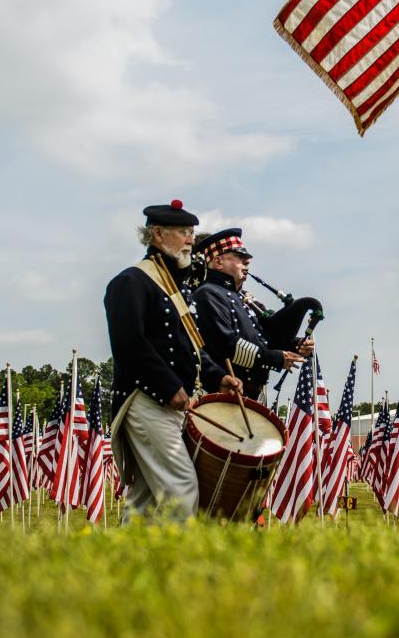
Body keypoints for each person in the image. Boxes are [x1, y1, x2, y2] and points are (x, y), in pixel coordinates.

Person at [103, 200, 241, 522]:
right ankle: (177, 567)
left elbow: (189, 348)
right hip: (145, 399)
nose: (191, 239)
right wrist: (168, 387)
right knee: (181, 486)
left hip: (166, 401)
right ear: (158, 234)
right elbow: (128, 344)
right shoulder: (132, 281)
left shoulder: (173, 286)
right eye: (183, 232)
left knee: (148, 499)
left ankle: (125, 562)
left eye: (191, 232)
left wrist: (217, 376)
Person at [189, 228, 316, 401]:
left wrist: (294, 345)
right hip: (224, 393)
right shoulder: (208, 293)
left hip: (249, 394)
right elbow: (226, 345)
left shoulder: (239, 297)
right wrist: (275, 358)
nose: (247, 261)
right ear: (218, 262)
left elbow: (262, 338)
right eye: (239, 257)